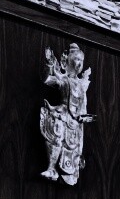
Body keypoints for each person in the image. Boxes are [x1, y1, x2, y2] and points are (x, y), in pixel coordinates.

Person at [40, 43, 95, 185]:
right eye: (76, 59)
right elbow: (47, 79)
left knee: (75, 145)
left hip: (76, 120)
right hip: (63, 113)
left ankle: (72, 170)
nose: (79, 63)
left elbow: (83, 106)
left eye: (81, 60)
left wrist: (85, 117)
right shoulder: (65, 79)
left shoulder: (81, 85)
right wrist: (49, 64)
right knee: (57, 138)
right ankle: (51, 168)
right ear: (69, 61)